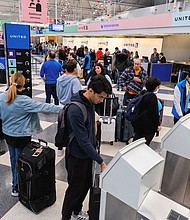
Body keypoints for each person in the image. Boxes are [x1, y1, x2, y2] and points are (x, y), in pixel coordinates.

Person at [0, 73, 61, 197]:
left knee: (13, 160)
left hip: (7, 133)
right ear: (23, 85)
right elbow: (45, 107)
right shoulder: (24, 101)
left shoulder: (2, 97)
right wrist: (65, 108)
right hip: (21, 136)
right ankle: (20, 187)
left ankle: (15, 186)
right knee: (21, 162)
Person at [61, 74, 112, 220]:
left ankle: (76, 212)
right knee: (74, 190)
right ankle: (65, 217)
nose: (102, 101)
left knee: (86, 186)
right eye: (101, 97)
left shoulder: (90, 103)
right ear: (90, 90)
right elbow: (82, 141)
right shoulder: (75, 110)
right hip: (76, 156)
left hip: (87, 154)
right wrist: (100, 160)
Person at [132, 77, 161, 146]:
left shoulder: (143, 93)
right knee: (144, 144)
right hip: (148, 126)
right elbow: (154, 113)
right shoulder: (152, 97)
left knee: (136, 142)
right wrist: (157, 125)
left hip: (139, 123)